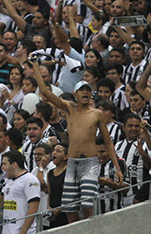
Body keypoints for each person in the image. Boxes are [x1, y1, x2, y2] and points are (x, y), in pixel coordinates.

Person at [32, 62, 123, 222]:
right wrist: (35, 68)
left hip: (89, 162)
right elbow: (45, 91)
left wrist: (117, 168)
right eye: (82, 90)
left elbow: (108, 142)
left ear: (91, 95)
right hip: (72, 162)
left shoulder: (97, 114)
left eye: (88, 90)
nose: (85, 92)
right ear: (75, 94)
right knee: (69, 207)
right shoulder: (69, 108)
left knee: (88, 206)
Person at [0, 151, 41, 234]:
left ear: (14, 164)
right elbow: (1, 204)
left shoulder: (30, 180)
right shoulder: (8, 181)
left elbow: (33, 208)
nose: (2, 168)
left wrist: (22, 233)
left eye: (4, 164)